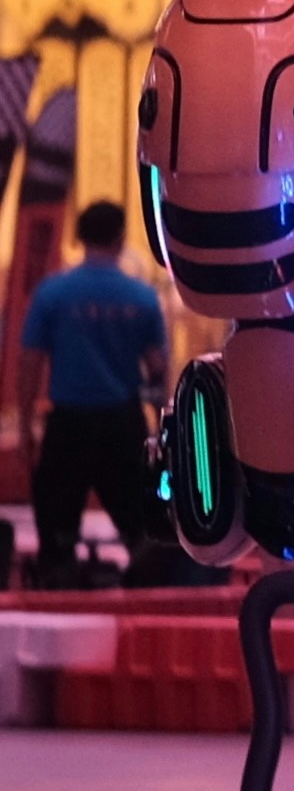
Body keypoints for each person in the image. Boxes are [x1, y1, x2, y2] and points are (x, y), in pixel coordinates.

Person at [16, 200, 169, 585]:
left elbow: (29, 363)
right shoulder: (142, 297)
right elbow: (157, 367)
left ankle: (58, 584)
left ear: (80, 237)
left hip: (69, 422)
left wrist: (24, 425)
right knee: (141, 523)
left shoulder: (52, 294)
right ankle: (144, 590)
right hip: (122, 419)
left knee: (57, 523)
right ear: (120, 238)